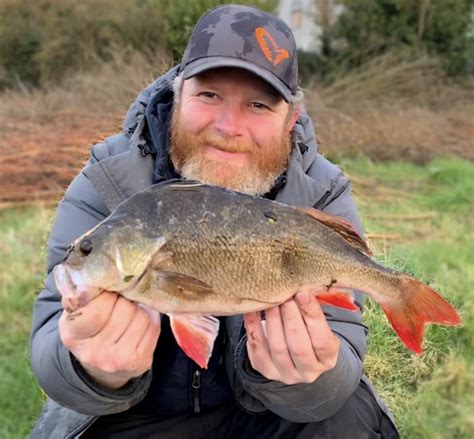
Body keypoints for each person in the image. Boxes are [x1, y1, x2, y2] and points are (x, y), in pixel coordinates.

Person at [29, 4, 399, 438]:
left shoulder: (322, 190)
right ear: (178, 93)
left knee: (345, 412)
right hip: (138, 414)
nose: (228, 127)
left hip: (265, 410)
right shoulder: (109, 177)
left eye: (259, 104)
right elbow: (51, 336)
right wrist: (94, 370)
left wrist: (304, 377)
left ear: (291, 119)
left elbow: (344, 344)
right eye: (209, 96)